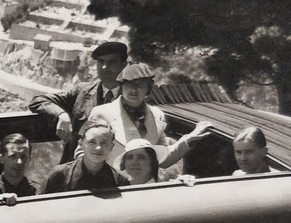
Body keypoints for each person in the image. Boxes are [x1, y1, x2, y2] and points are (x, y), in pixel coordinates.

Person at [85, 61, 216, 170]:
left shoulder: (157, 115)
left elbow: (163, 159)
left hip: (144, 187)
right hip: (109, 186)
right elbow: (83, 152)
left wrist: (187, 140)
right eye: (129, 84)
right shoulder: (102, 113)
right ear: (121, 86)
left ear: (148, 89)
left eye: (140, 85)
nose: (133, 90)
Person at [29, 39, 129, 162]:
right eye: (101, 62)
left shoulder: (132, 96)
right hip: (77, 165)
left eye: (112, 62)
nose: (104, 67)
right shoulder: (83, 91)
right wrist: (61, 115)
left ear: (124, 65)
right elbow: (38, 100)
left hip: (116, 169)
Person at [40, 122, 128, 196]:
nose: (98, 148)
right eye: (92, 142)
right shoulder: (60, 175)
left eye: (104, 143)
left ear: (111, 147)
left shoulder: (120, 181)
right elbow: (39, 207)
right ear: (81, 144)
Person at [0, 133, 38, 197]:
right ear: (1, 159)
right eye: (13, 156)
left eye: (23, 156)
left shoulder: (38, 192)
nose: (19, 162)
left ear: (30, 159)